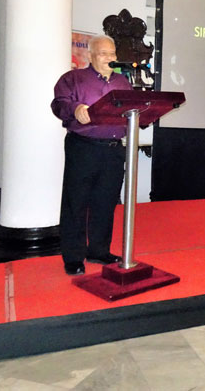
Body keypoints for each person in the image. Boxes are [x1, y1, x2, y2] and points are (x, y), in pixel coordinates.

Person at [51, 35, 133, 275]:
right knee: (76, 202)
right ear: (90, 55)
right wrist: (76, 108)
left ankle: (98, 250)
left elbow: (133, 110)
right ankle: (73, 257)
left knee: (105, 202)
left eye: (112, 53)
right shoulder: (73, 78)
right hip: (83, 147)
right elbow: (59, 103)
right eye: (103, 53)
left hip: (114, 150)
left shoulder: (123, 82)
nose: (110, 58)